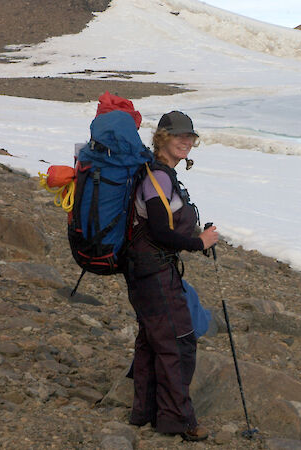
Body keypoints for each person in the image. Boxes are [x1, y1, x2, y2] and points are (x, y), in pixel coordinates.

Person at [123, 111, 219, 441]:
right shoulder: (158, 177)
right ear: (161, 137)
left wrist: (194, 237)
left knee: (152, 341)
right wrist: (198, 242)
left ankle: (144, 412)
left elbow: (160, 226)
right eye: (178, 135)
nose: (186, 141)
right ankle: (178, 421)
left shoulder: (159, 173)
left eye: (190, 137)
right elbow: (161, 232)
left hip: (148, 271)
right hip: (153, 272)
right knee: (178, 344)